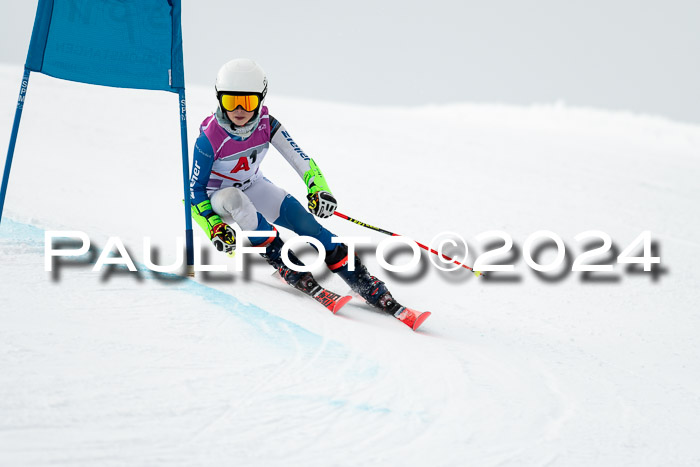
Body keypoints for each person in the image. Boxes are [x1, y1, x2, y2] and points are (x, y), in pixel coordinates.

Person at [189, 58, 413, 320]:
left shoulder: (267, 125)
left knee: (307, 224)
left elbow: (300, 159)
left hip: (253, 186)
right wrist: (214, 225)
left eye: (247, 101)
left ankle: (361, 279)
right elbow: (194, 191)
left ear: (260, 99)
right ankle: (285, 263)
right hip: (219, 200)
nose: (239, 109)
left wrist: (318, 189)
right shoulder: (210, 137)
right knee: (234, 198)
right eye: (231, 101)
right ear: (219, 99)